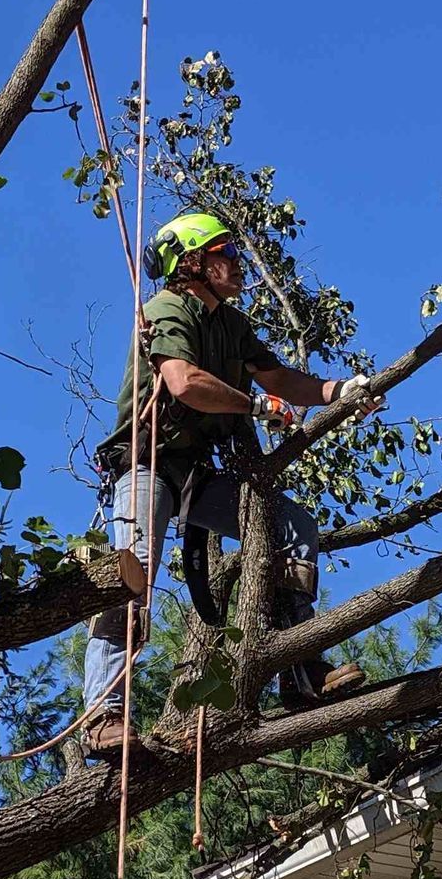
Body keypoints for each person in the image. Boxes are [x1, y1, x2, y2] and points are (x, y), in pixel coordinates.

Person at [81, 210, 379, 763]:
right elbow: (184, 382)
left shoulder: (231, 325)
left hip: (194, 473)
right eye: (227, 254)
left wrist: (340, 390)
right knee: (133, 570)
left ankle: (303, 666)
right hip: (146, 464)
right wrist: (253, 405)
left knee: (294, 527)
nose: (238, 264)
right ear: (193, 261)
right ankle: (104, 715)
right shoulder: (168, 308)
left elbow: (280, 378)